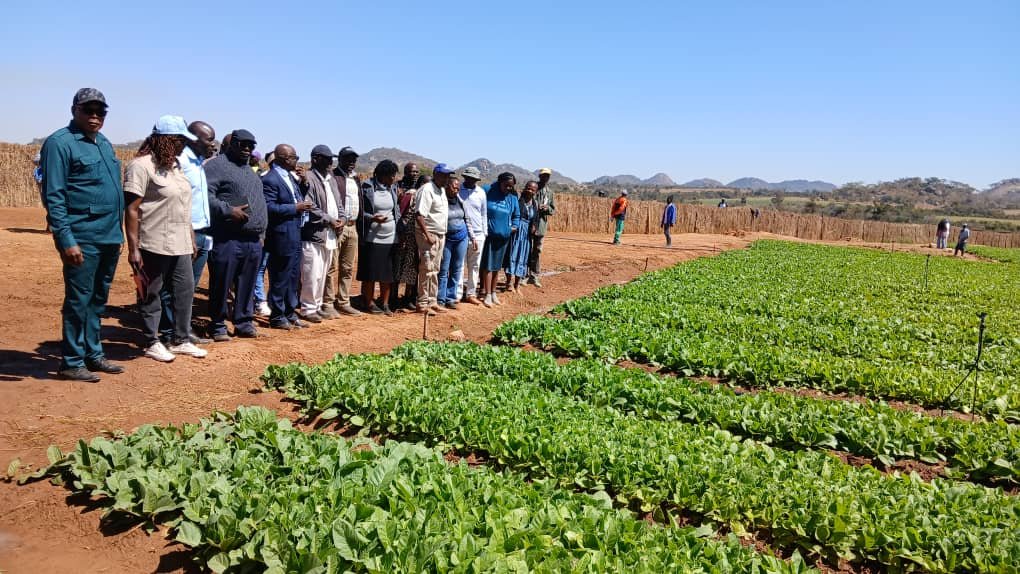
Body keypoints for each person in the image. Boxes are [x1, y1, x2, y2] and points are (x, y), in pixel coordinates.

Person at [40, 88, 125, 382]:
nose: (94, 117)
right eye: (88, 110)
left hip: (110, 236)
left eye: (100, 112)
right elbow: (54, 195)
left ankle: (93, 354)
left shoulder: (104, 143)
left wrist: (119, 235)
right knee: (79, 300)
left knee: (98, 300)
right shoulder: (60, 144)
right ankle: (71, 361)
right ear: (74, 110)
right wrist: (67, 240)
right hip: (82, 237)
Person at [124, 116, 208, 362]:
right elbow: (131, 209)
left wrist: (191, 238)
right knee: (152, 292)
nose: (183, 145)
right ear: (165, 140)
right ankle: (152, 340)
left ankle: (180, 339)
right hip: (154, 241)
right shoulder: (140, 166)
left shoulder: (175, 167)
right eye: (179, 140)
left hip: (180, 241)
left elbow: (184, 205)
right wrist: (133, 248)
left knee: (184, 290)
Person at [204, 129, 268, 340]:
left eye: (252, 145)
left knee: (247, 284)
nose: (248, 149)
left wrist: (261, 232)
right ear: (232, 144)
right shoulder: (216, 166)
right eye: (243, 145)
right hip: (227, 237)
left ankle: (243, 321)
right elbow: (206, 197)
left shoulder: (250, 171)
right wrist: (228, 210)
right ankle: (218, 324)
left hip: (252, 240)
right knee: (221, 284)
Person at [158, 120, 216, 346]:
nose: (213, 143)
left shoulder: (199, 163)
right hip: (184, 233)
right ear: (193, 138)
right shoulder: (179, 162)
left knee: (188, 288)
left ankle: (182, 329)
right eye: (208, 139)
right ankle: (169, 331)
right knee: (173, 286)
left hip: (201, 232)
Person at [262, 144, 313, 330]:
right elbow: (268, 207)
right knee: (280, 276)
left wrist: (304, 183)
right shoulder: (270, 180)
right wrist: (295, 208)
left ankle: (290, 312)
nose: (297, 161)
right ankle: (277, 316)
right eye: (294, 158)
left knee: (293, 276)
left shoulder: (290, 177)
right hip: (281, 235)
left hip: (294, 232)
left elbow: (295, 197)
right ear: (284, 158)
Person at [298, 145, 344, 323]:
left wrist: (342, 219)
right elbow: (310, 206)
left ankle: (316, 306)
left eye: (331, 159)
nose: (330, 162)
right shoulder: (308, 178)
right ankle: (308, 308)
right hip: (313, 234)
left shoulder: (330, 179)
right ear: (315, 159)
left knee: (323, 273)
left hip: (329, 234)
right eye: (326, 159)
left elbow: (338, 203)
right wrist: (330, 220)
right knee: (312, 273)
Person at [321, 146, 361, 316]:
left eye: (354, 159)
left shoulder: (356, 178)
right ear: (340, 160)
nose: (351, 163)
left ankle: (343, 301)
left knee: (347, 267)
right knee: (331, 266)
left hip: (353, 227)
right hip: (337, 227)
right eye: (348, 159)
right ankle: (328, 302)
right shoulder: (332, 177)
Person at [357, 159, 400, 315]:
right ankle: (368, 303)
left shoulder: (393, 188)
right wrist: (372, 218)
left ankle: (385, 303)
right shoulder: (367, 187)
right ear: (383, 175)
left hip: (391, 237)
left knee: (387, 274)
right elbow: (359, 212)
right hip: (372, 237)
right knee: (371, 273)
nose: (394, 178)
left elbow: (396, 211)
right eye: (392, 175)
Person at [414, 163, 453, 314]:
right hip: (429, 234)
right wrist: (427, 234)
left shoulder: (442, 190)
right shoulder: (427, 190)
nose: (446, 178)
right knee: (426, 268)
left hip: (440, 235)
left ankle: (432, 300)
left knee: (435, 269)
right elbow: (419, 215)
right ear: (435, 174)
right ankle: (422, 303)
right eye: (444, 175)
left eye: (448, 176)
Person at [480, 172, 520, 307]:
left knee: (497, 267)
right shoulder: (487, 190)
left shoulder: (512, 198)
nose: (508, 188)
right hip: (490, 236)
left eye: (511, 186)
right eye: (506, 185)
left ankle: (493, 293)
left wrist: (513, 227)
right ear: (499, 182)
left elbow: (516, 216)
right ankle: (487, 294)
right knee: (488, 266)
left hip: (504, 237)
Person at [437, 176, 478, 309]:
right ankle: (440, 299)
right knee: (443, 269)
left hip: (462, 238)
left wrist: (472, 238)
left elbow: (467, 220)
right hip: (447, 239)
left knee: (456, 268)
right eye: (455, 187)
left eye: (458, 187)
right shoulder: (441, 201)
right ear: (447, 186)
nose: (457, 189)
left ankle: (450, 298)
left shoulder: (460, 201)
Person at [392, 166, 423, 310]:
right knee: (397, 265)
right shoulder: (398, 186)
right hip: (401, 232)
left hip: (414, 234)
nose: (415, 174)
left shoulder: (419, 188)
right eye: (412, 171)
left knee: (411, 267)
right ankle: (393, 298)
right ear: (405, 172)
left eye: (417, 172)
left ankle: (408, 297)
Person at [458, 166, 487, 304]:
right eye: (469, 178)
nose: (471, 180)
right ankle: (457, 295)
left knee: (474, 265)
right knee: (459, 265)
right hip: (461, 233)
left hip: (478, 233)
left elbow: (483, 214)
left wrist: (484, 233)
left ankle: (470, 293)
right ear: (465, 177)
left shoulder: (481, 193)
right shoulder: (458, 190)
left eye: (474, 179)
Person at [505, 181, 538, 292]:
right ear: (525, 188)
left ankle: (517, 285)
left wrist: (534, 226)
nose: (530, 191)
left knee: (523, 258)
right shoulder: (519, 201)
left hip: (527, 236)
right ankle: (509, 283)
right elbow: (513, 215)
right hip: (517, 233)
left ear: (535, 192)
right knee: (512, 255)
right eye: (528, 188)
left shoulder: (534, 204)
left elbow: (535, 219)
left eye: (532, 190)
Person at [527, 168, 556, 287]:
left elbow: (553, 209)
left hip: (541, 226)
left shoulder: (550, 193)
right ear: (540, 176)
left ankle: (534, 276)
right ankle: (524, 275)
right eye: (544, 175)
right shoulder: (533, 187)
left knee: (537, 251)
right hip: (529, 224)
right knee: (527, 249)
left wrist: (547, 208)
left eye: (547, 176)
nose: (545, 178)